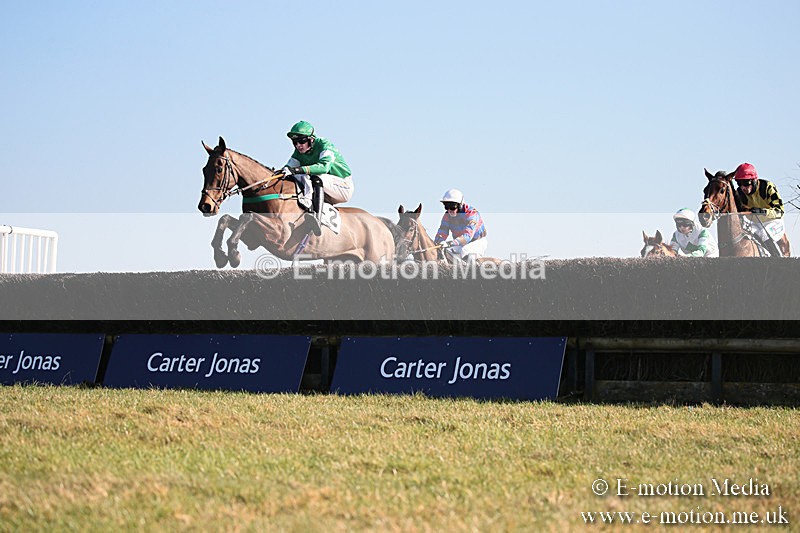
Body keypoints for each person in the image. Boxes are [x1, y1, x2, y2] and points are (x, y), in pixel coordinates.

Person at [279, 120, 354, 236]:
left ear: (311, 139)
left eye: (302, 141)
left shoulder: (324, 144)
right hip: (324, 189)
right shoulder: (298, 152)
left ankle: (316, 219)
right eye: (295, 142)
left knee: (314, 177)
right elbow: (288, 168)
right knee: (296, 178)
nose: (298, 145)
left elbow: (324, 167)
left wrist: (297, 170)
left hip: (343, 186)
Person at [732, 162, 785, 257]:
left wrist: (763, 211)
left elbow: (779, 211)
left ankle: (780, 261)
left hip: (773, 222)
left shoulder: (767, 187)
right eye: (739, 183)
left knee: (763, 233)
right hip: (754, 224)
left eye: (745, 183)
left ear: (754, 180)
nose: (743, 187)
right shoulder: (739, 193)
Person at [433, 189, 488, 262]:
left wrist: (450, 243)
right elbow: (442, 231)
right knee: (446, 252)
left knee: (465, 251)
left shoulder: (472, 214)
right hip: (460, 243)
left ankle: (475, 271)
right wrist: (438, 243)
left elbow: (467, 236)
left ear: (460, 204)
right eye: (446, 206)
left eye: (452, 206)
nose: (449, 210)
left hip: (477, 242)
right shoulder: (447, 216)